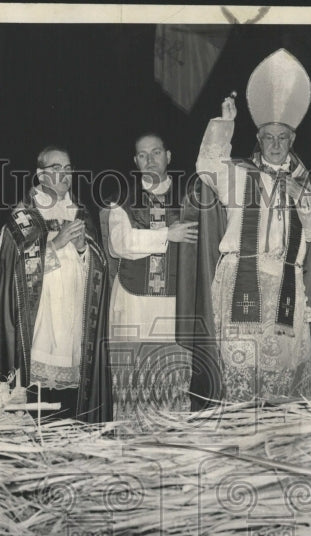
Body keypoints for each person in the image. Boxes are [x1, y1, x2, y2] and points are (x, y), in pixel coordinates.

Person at [191, 50, 311, 402]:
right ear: (259, 138)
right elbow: (206, 165)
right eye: (269, 138)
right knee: (240, 368)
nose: (277, 145)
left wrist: (302, 199)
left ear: (293, 140)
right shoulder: (237, 174)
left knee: (279, 374)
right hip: (241, 279)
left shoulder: (302, 181)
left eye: (284, 138)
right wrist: (225, 124)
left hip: (285, 282)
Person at [0, 146, 112, 421]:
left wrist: (83, 249)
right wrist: (57, 243)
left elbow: (98, 266)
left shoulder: (81, 212)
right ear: (40, 175)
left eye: (68, 168)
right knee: (36, 402)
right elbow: (14, 272)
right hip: (38, 323)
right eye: (56, 168)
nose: (64, 174)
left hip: (73, 322)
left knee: (69, 405)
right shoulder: (23, 216)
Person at [104, 131, 197, 421]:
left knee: (172, 374)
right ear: (135, 161)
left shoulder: (189, 200)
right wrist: (168, 234)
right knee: (131, 375)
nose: (150, 160)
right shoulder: (122, 198)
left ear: (168, 157)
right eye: (143, 155)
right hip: (133, 301)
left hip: (175, 302)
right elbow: (121, 245)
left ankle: (172, 439)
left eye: (156, 152)